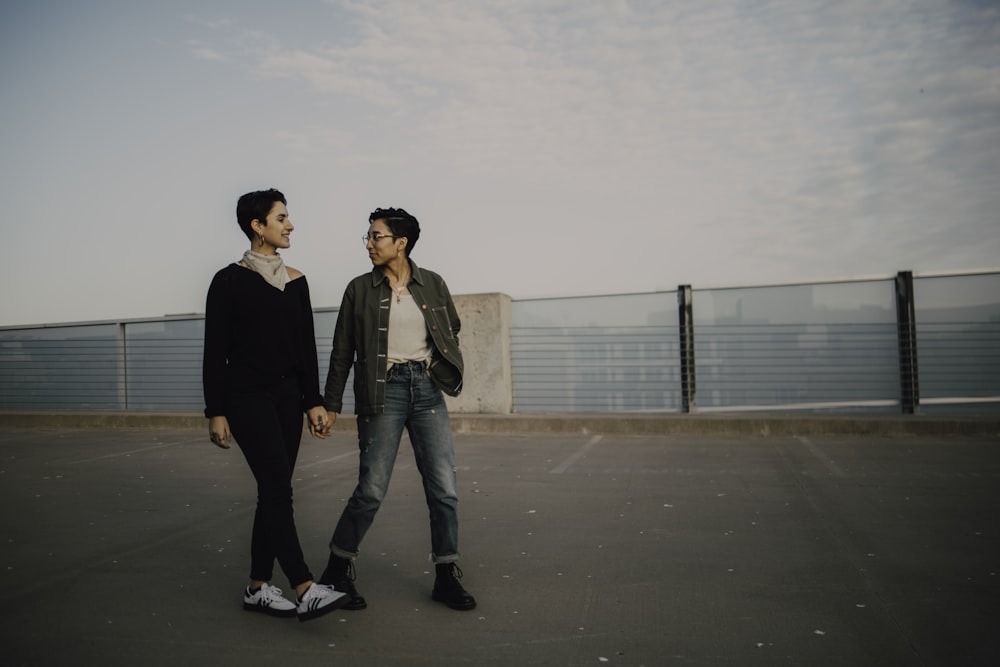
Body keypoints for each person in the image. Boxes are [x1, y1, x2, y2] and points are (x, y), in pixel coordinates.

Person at [318, 207, 476, 611]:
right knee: (371, 489)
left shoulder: (433, 284)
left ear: (400, 243)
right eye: (368, 237)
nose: (369, 244)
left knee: (444, 489)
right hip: (382, 392)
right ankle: (336, 572)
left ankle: (445, 575)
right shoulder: (359, 289)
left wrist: (436, 365)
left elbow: (450, 327)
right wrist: (330, 404)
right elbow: (342, 351)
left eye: (377, 237)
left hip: (426, 391)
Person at [202, 188, 348, 621]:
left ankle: (258, 587)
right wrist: (216, 410)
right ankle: (305, 586)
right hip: (245, 398)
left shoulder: (297, 282)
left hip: (287, 399)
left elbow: (305, 348)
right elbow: (215, 351)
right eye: (281, 218)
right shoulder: (227, 281)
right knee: (276, 487)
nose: (290, 225)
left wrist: (313, 402)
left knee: (274, 490)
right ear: (257, 226)